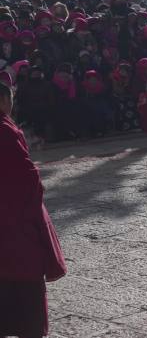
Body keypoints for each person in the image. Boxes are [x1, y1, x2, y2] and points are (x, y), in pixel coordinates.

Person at [0, 80, 67, 338]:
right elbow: (26, 179)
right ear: (5, 101)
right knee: (24, 283)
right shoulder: (6, 130)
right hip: (14, 223)